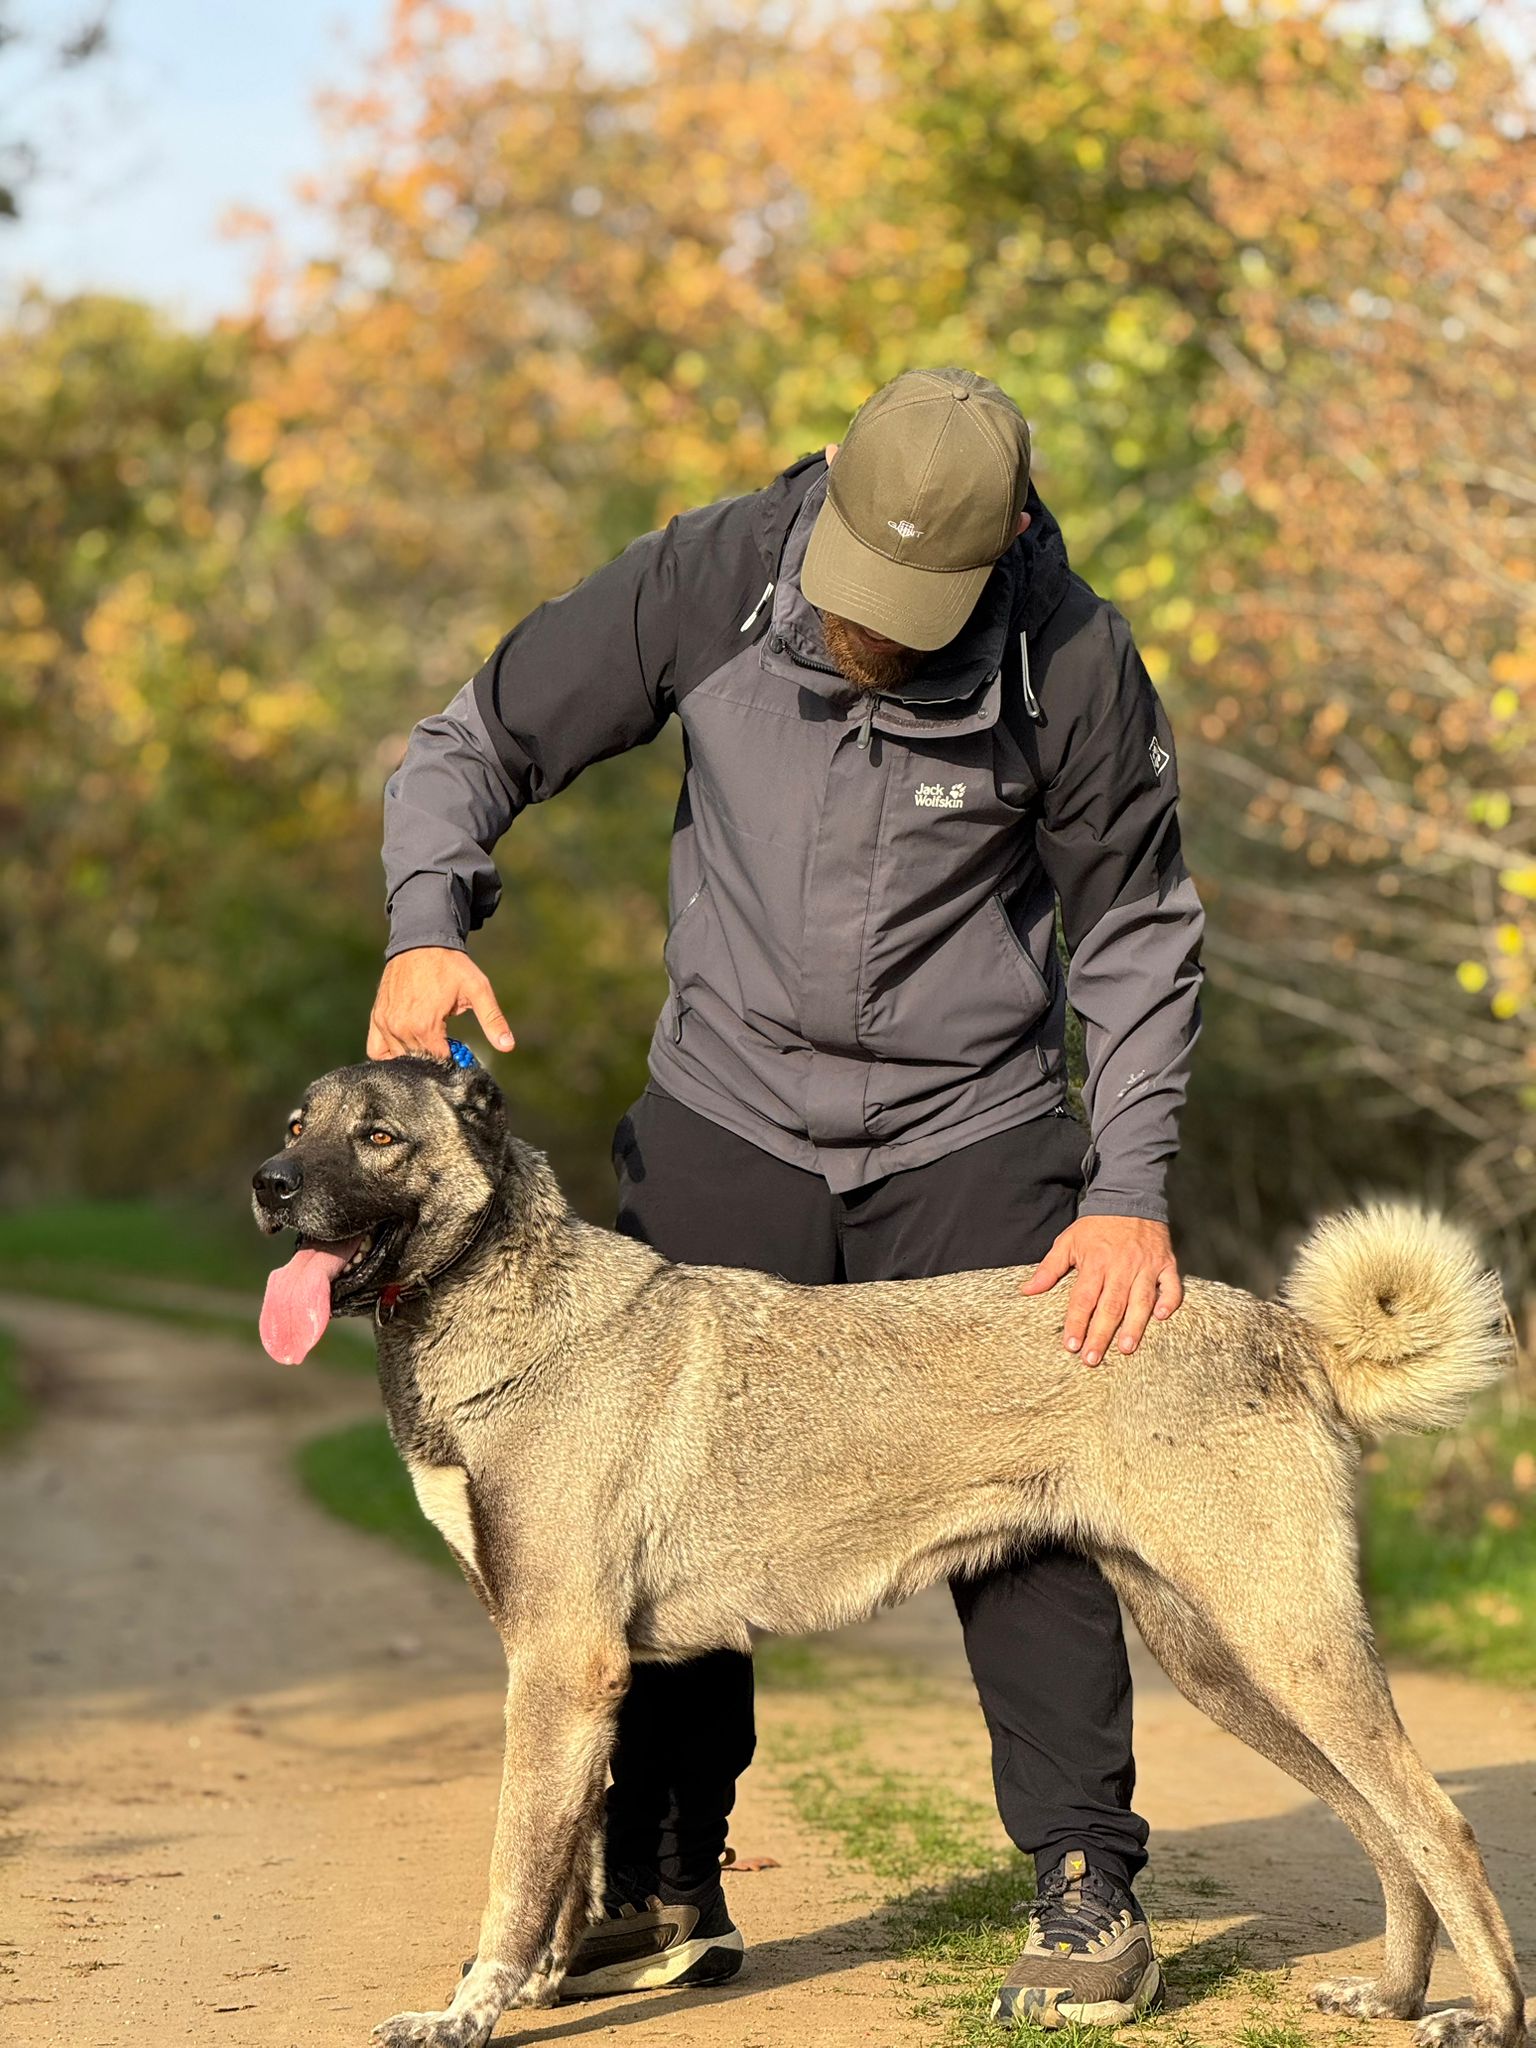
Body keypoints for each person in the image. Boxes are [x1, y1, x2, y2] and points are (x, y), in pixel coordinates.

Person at [369, 366, 1204, 2028]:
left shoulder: (1077, 660)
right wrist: (423, 917)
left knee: (1037, 1486)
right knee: (651, 1501)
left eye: (912, 614)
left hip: (971, 1128)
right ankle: (667, 1878)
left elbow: (1135, 930)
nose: (865, 636)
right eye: (851, 595)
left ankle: (1084, 1877)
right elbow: (478, 741)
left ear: (1013, 541)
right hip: (730, 1109)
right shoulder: (716, 570)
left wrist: (1129, 1185)